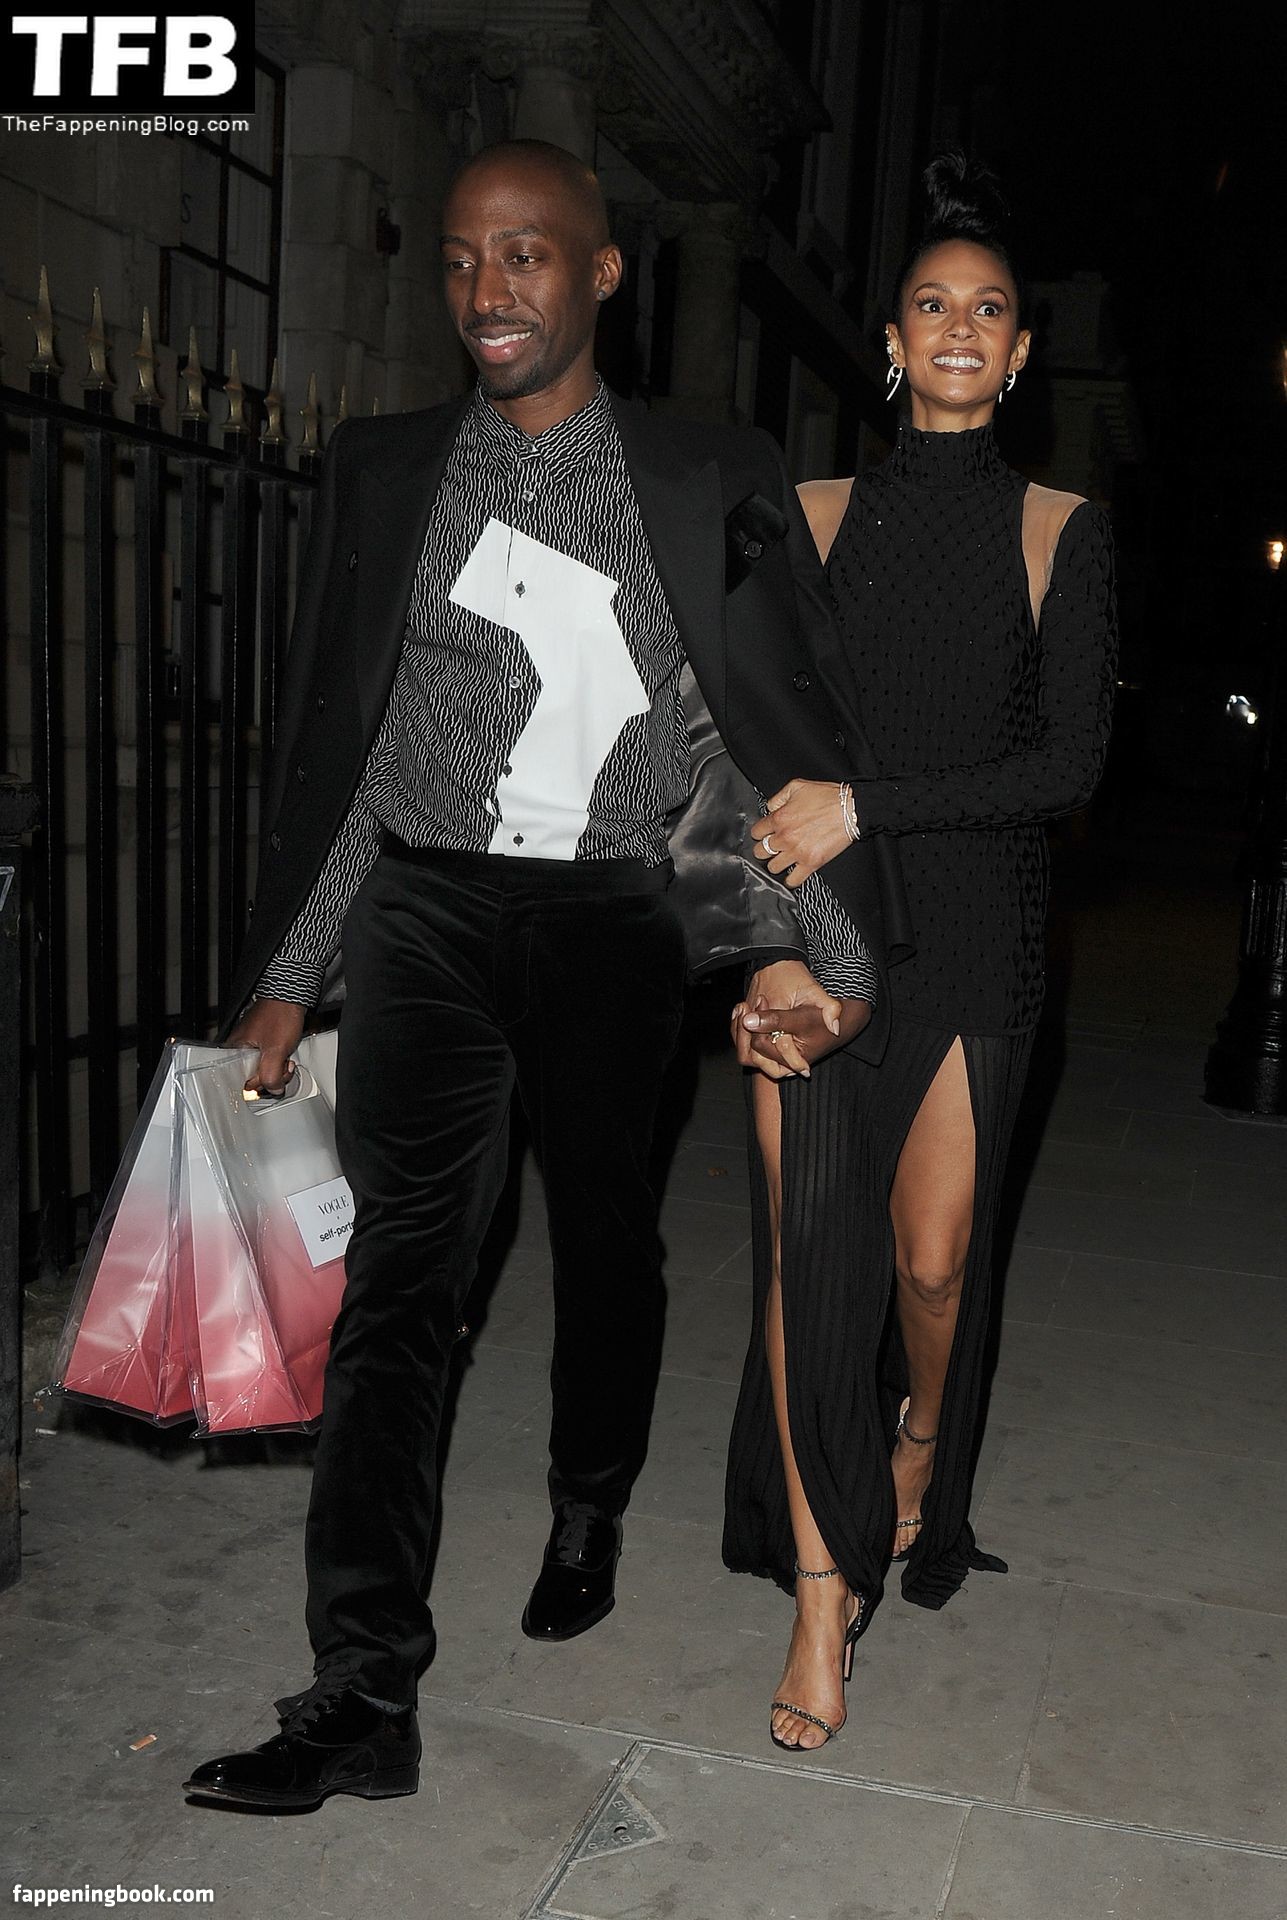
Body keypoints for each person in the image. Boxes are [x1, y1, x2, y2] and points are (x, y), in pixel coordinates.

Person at [183, 138, 906, 1812]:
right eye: (459, 258)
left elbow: (761, 729)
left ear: (600, 273)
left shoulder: (703, 472)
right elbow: (352, 742)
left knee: (602, 1234)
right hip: (425, 913)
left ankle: (591, 1498)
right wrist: (291, 970)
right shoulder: (387, 469)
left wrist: (830, 953)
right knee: (399, 1287)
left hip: (611, 917)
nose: (485, 289)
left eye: (523, 255)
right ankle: (361, 1690)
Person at [722, 153, 1119, 1752]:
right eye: (934, 305)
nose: (960, 327)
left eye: (991, 310)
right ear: (892, 341)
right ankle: (822, 1598)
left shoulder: (1058, 529)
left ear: (1019, 353)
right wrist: (762, 932)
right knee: (809, 1263)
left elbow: (1068, 766)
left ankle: (925, 1432)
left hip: (980, 929)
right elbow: (751, 743)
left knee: (932, 1262)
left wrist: (866, 800)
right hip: (817, 927)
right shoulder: (810, 517)